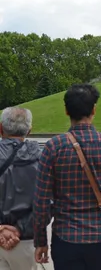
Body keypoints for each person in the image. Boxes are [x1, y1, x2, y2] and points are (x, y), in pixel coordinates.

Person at [33, 84, 101, 270]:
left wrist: (41, 240)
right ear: (94, 109)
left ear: (66, 111)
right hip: (100, 238)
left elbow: (41, 201)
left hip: (65, 237)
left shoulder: (53, 147)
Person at [0, 107, 41, 270]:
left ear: (0, 128)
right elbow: (47, 203)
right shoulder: (41, 161)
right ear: (29, 131)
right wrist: (19, 229)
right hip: (25, 240)